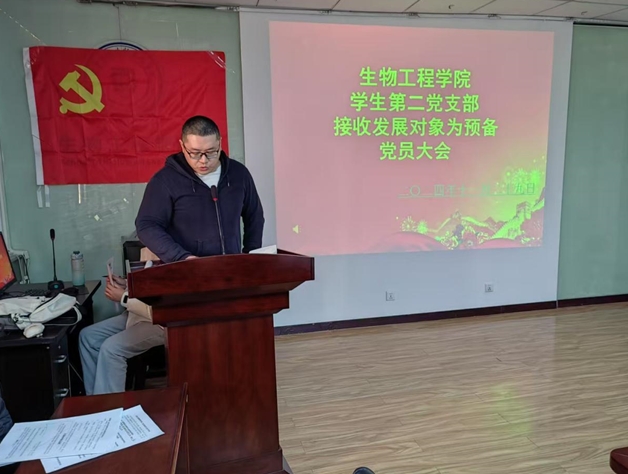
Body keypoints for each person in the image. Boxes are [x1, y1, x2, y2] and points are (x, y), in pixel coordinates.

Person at [135, 115, 264, 262]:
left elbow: (254, 216)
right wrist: (181, 257)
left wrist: (251, 256)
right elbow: (146, 225)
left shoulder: (239, 174)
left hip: (230, 268)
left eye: (211, 152)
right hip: (187, 270)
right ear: (182, 146)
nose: (203, 160)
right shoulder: (165, 180)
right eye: (195, 153)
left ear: (220, 143)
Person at [79, 276, 163, 395]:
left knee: (111, 348)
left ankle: (112, 404)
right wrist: (126, 284)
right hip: (137, 315)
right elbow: (149, 285)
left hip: (160, 321)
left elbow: (159, 309)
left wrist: (124, 297)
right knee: (88, 336)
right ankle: (96, 399)